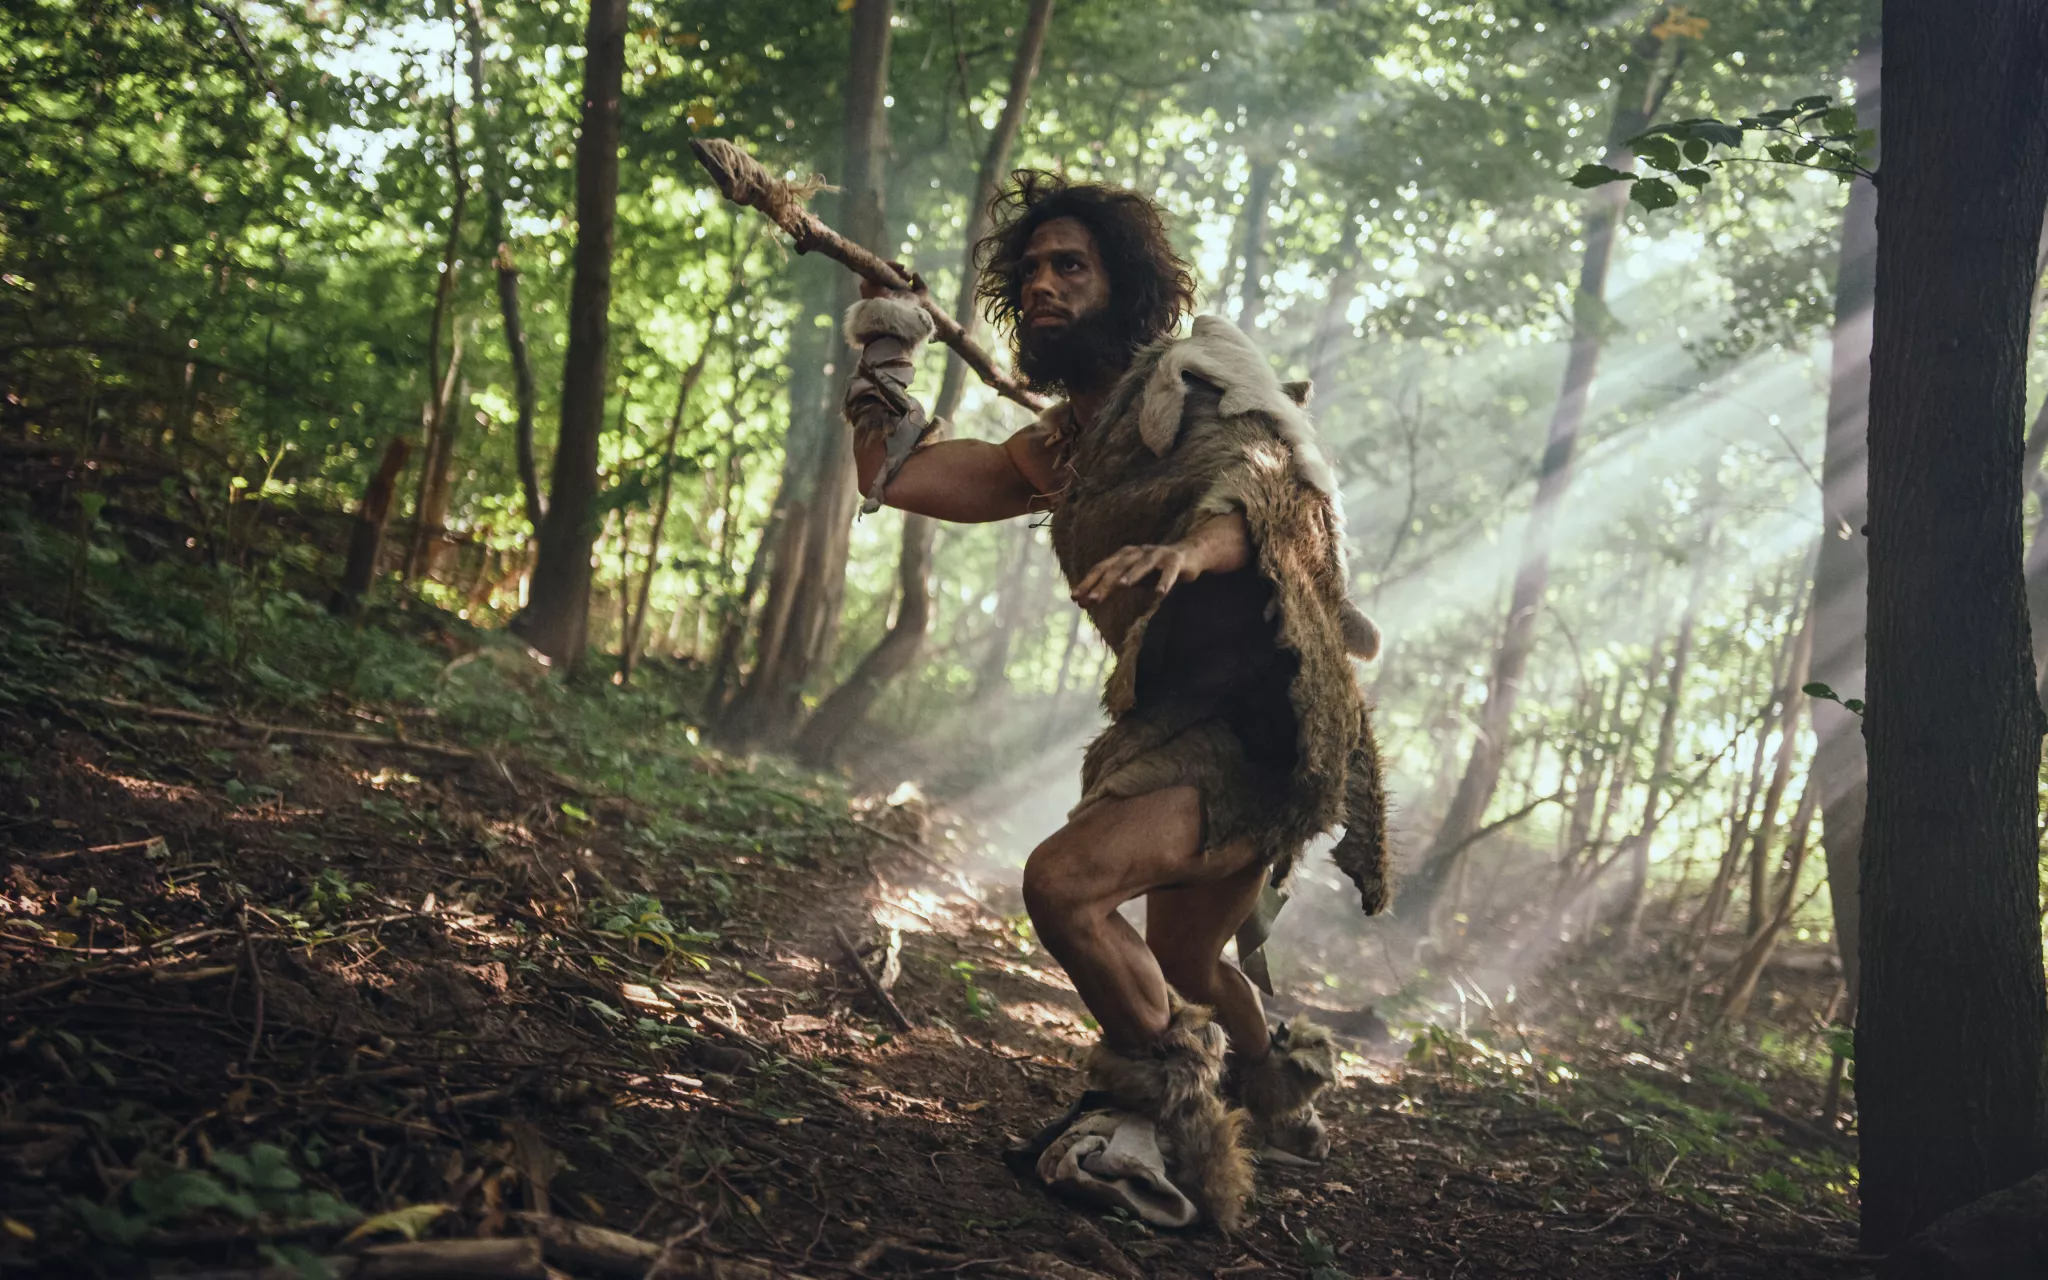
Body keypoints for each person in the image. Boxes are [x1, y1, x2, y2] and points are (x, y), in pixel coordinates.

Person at [841, 171, 1388, 1232]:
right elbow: (893, 477)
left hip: (1266, 730)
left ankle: (1173, 1111)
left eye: (1071, 266)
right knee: (1184, 959)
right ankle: (1279, 1103)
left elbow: (1272, 493)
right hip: (1168, 731)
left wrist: (1193, 545)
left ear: (1125, 284)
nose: (1044, 285)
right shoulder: (1057, 452)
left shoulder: (1192, 389)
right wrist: (886, 348)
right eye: (1032, 270)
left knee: (1063, 884)